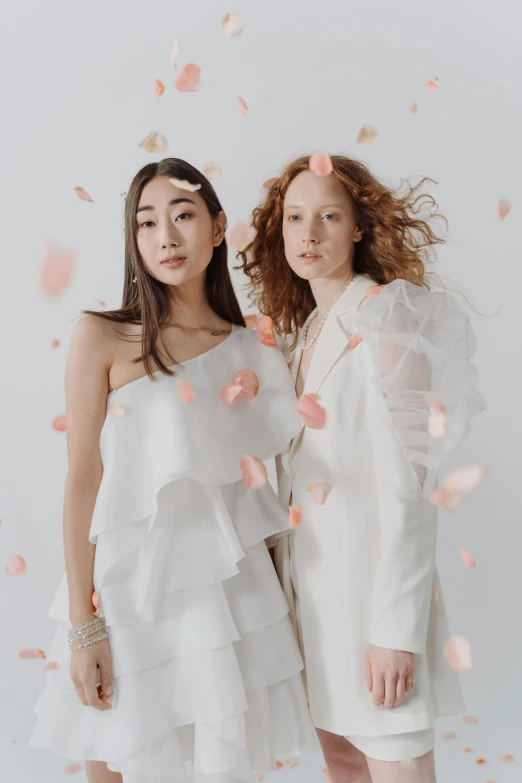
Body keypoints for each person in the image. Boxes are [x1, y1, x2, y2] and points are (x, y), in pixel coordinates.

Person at [29, 158, 317, 782]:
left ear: (217, 227)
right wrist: (84, 626)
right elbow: (83, 479)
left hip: (227, 599)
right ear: (132, 241)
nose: (166, 237)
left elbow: (259, 495)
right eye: (147, 223)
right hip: (131, 590)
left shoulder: (254, 351)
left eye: (183, 215)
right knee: (112, 759)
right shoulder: (102, 338)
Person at [238, 154, 486, 783]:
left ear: (357, 228)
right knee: (342, 767)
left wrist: (396, 632)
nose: (309, 233)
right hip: (313, 611)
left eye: (328, 216)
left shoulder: (386, 316)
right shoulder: (302, 332)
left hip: (372, 612)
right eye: (295, 217)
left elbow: (412, 485)